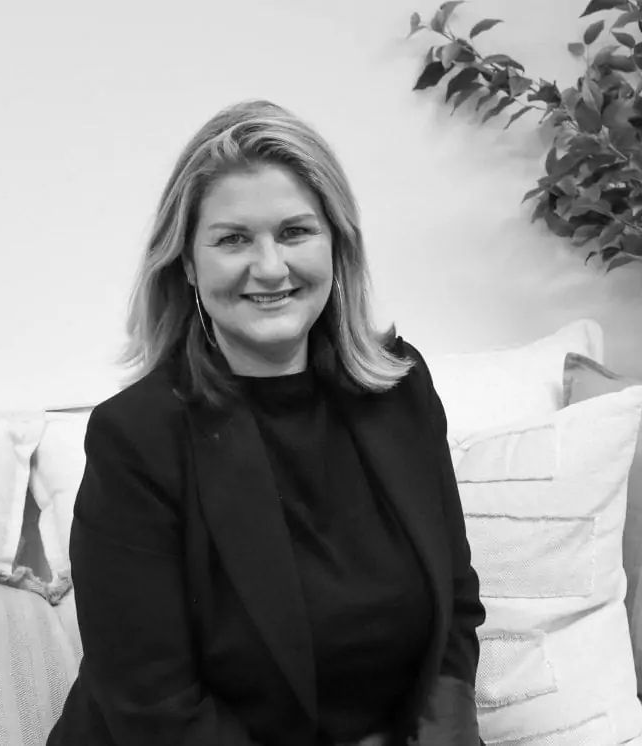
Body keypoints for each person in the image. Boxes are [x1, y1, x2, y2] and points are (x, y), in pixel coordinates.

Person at [47, 98, 486, 746]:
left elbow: (455, 604)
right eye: (232, 240)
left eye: (294, 232)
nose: (271, 267)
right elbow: (154, 706)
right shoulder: (138, 439)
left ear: (337, 244)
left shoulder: (401, 387)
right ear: (188, 263)